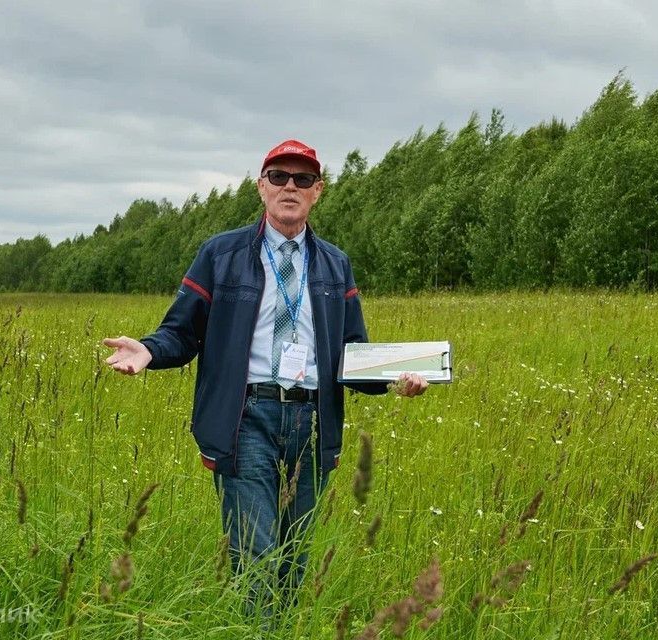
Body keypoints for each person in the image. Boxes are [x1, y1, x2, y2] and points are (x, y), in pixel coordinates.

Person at [103, 139, 427, 615]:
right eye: (279, 177)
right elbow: (181, 331)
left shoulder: (335, 264)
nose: (289, 186)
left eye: (302, 179)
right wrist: (149, 351)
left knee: (296, 558)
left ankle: (283, 625)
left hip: (313, 422)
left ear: (318, 191)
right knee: (254, 555)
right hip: (246, 417)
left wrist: (394, 379)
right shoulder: (221, 254)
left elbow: (352, 352)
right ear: (261, 187)